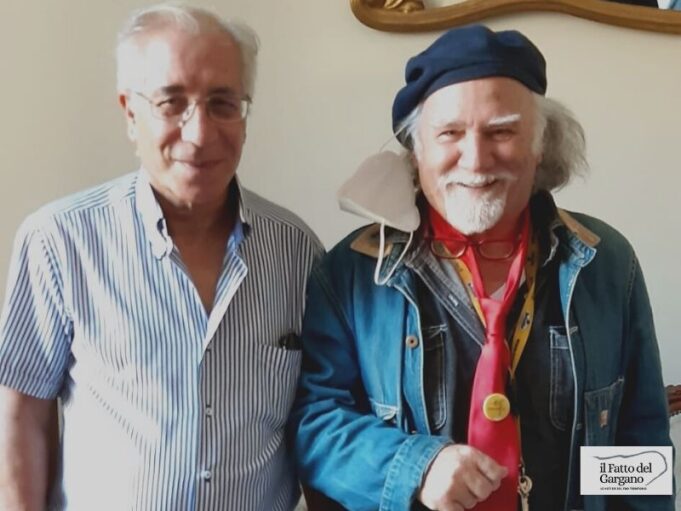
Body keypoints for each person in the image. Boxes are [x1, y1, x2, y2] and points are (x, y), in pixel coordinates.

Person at [290, 25, 673, 511]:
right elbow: (316, 424)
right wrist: (414, 468)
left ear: (540, 146)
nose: (475, 160)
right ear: (416, 150)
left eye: (502, 131)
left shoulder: (608, 264)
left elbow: (637, 444)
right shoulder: (350, 273)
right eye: (449, 133)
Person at [0, 4, 322, 510]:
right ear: (130, 113)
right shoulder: (60, 241)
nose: (199, 133)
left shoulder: (298, 251)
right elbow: (22, 417)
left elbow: (318, 418)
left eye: (222, 103)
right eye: (172, 103)